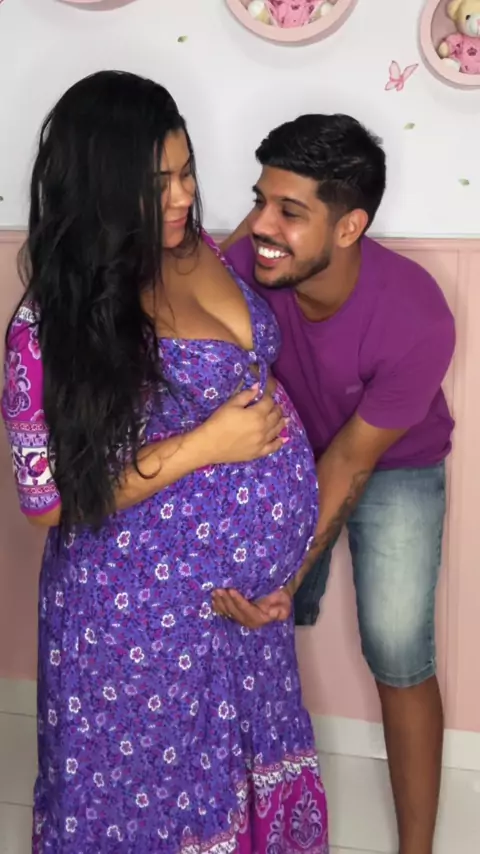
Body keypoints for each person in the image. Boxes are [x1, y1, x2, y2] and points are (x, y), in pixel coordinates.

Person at [1, 72, 329, 853]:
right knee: (153, 808)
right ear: (102, 189)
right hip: (133, 619)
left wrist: (274, 567)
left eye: (186, 172)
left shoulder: (197, 247)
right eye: (158, 185)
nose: (183, 197)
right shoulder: (46, 328)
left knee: (239, 782)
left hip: (237, 613)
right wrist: (205, 447)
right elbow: (47, 503)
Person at [214, 113, 455, 854]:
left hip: (393, 462)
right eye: (260, 200)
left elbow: (351, 461)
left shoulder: (417, 314)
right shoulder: (240, 267)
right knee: (247, 627)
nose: (261, 225)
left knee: (399, 651)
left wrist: (290, 570)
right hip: (280, 453)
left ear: (349, 227)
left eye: (290, 211)